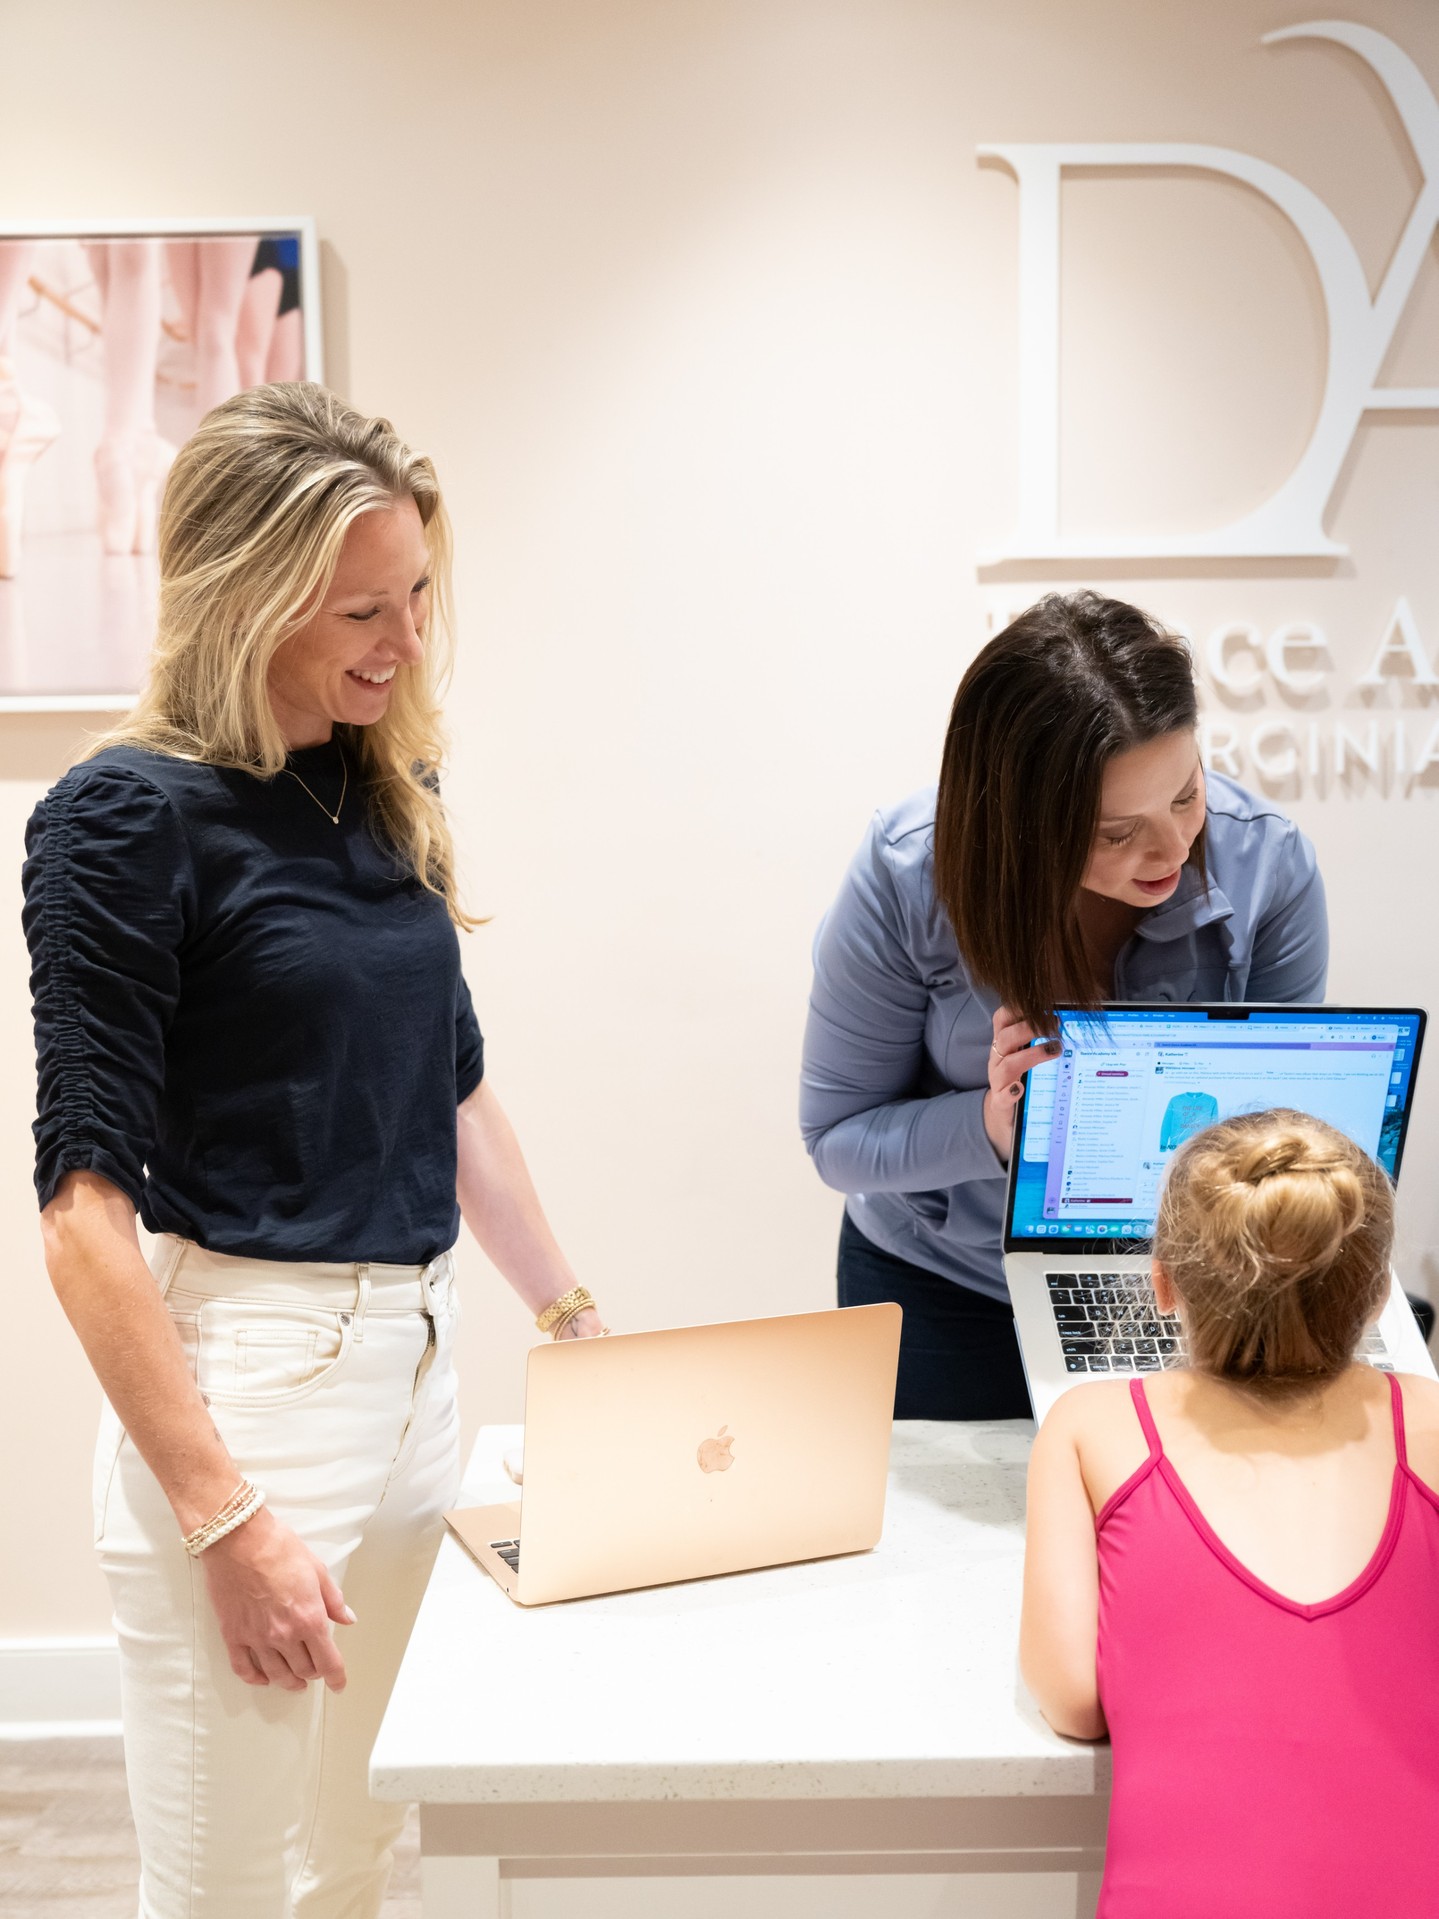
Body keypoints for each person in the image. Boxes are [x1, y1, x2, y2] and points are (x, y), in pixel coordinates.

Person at [22, 382, 605, 1918]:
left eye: (416, 593)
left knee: (354, 1855)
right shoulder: (120, 820)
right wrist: (223, 1513)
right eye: (360, 606)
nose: (406, 639)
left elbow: (454, 1090)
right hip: (250, 1384)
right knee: (222, 1886)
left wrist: (572, 1318)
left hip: (414, 1364)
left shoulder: (377, 785)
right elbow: (83, 1212)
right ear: (242, 593)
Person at [800, 591, 1327, 1420]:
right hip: (939, 1288)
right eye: (1114, 832)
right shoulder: (908, 874)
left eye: (1185, 795)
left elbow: (1279, 1134)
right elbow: (836, 1139)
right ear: (1017, 819)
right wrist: (988, 1127)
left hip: (1176, 1288)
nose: (1170, 849)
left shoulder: (1268, 863)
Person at [1019, 1110, 1439, 1914]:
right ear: (1381, 1294)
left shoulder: (1089, 1424)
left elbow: (1073, 1698)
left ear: (1161, 1281)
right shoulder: (1429, 1417)